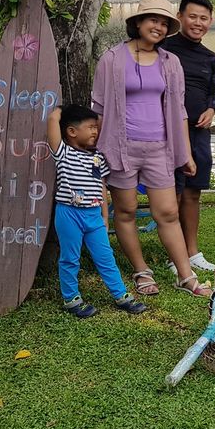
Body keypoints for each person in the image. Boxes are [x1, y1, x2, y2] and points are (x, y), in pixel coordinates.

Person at [92, 0, 210, 298]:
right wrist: (97, 153)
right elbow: (100, 109)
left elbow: (179, 110)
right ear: (138, 23)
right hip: (120, 147)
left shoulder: (170, 62)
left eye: (163, 22)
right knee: (127, 210)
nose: (157, 26)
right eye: (152, 20)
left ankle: (185, 275)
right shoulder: (112, 58)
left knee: (168, 212)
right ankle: (141, 271)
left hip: (158, 147)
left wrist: (184, 153)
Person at [47, 104, 147, 317]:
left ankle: (120, 295)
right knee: (70, 258)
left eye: (96, 127)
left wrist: (104, 213)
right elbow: (53, 122)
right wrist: (59, 110)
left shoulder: (97, 157)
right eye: (91, 127)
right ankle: (71, 299)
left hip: (93, 215)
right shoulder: (62, 152)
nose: (95, 131)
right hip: (68, 213)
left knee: (105, 256)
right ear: (72, 132)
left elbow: (100, 184)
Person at [161, 0, 215, 273]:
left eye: (204, 18)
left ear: (210, 21)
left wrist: (212, 109)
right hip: (166, 133)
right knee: (173, 191)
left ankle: (192, 251)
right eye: (192, 16)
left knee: (193, 192)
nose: (198, 23)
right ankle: (175, 255)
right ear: (180, 16)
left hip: (198, 132)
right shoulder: (163, 49)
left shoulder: (211, 58)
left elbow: (214, 92)